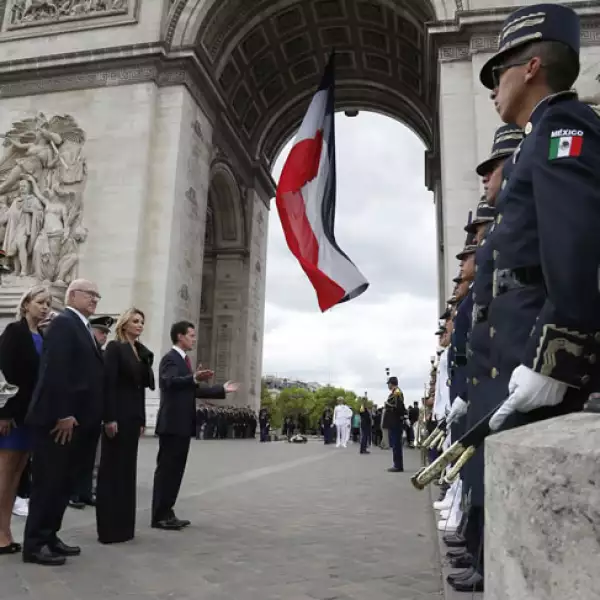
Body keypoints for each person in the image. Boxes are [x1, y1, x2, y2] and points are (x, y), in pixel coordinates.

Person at [23, 279, 104, 566]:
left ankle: (50, 536)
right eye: (90, 294)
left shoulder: (78, 325)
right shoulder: (64, 323)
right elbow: (56, 371)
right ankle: (34, 544)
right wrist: (64, 413)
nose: (96, 299)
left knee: (63, 483)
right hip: (59, 421)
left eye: (98, 295)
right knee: (48, 483)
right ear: (72, 295)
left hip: (77, 422)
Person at [151, 321, 239, 530]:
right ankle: (159, 515)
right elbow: (168, 382)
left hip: (182, 425)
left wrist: (221, 390)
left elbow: (193, 390)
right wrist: (192, 377)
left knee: (176, 471)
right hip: (172, 424)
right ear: (180, 336)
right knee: (167, 471)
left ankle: (168, 511)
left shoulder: (184, 360)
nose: (194, 338)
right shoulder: (170, 359)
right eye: (191, 335)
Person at [96, 308, 154, 544]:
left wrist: (142, 419)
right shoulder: (115, 348)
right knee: (111, 472)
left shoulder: (140, 352)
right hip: (117, 417)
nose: (140, 325)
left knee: (127, 472)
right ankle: (109, 529)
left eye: (142, 321)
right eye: (135, 321)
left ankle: (124, 527)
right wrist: (109, 417)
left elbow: (141, 389)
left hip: (132, 418)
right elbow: (107, 384)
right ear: (125, 324)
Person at [0, 285, 50, 554]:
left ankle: (5, 531)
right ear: (26, 303)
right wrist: (3, 413)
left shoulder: (41, 334)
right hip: (13, 416)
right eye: (40, 302)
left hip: (32, 415)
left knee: (16, 475)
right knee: (4, 475)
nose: (45, 307)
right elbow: (2, 374)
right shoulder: (14, 332)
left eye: (49, 303)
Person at [69, 315, 115, 510]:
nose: (104, 336)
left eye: (106, 333)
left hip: (94, 413)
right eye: (101, 332)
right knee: (76, 456)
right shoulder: (83, 352)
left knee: (89, 456)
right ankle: (72, 494)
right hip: (79, 411)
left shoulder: (103, 355)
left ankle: (85, 491)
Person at [384, 376, 406, 473]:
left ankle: (398, 465)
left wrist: (388, 406)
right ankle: (396, 464)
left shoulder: (397, 392)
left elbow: (399, 407)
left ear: (391, 383)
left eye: (388, 383)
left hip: (395, 421)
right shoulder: (395, 392)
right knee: (395, 443)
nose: (388, 385)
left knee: (396, 444)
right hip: (394, 422)